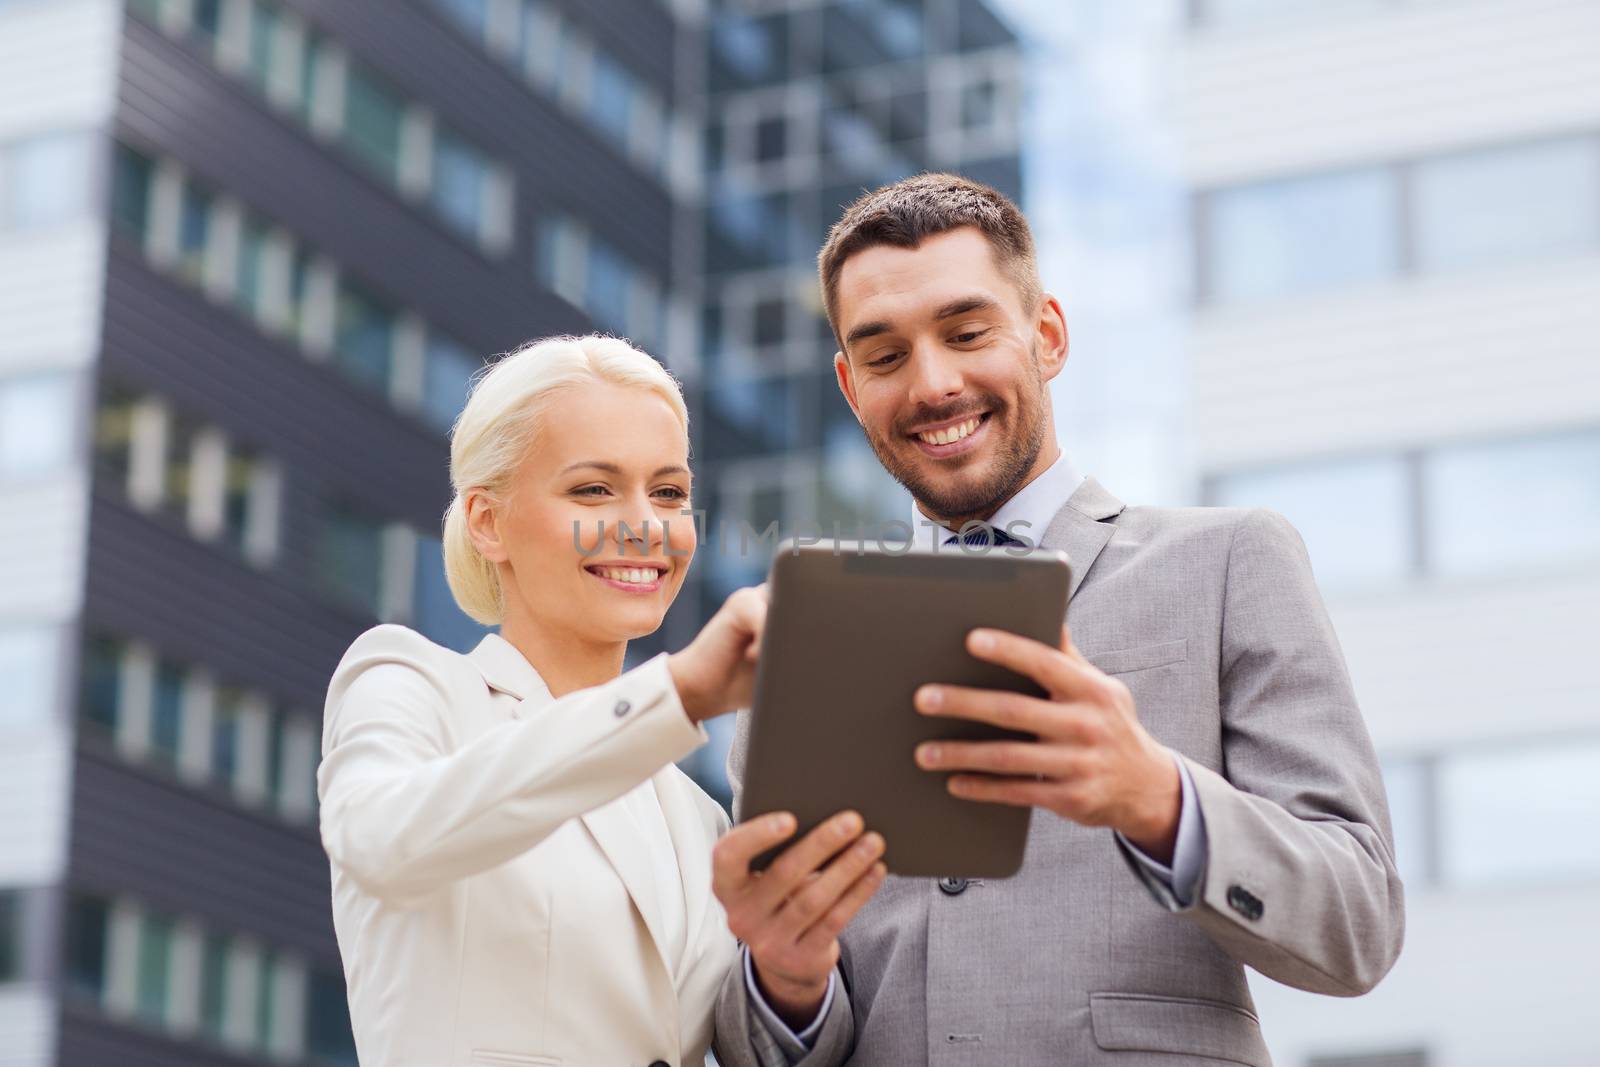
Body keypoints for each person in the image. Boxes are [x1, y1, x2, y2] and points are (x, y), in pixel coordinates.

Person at [710, 175, 1405, 1065]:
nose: (933, 383)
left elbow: (1359, 925)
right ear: (851, 386)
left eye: (967, 333)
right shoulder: (801, 654)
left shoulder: (1231, 562)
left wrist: (1153, 794)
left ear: (1046, 336)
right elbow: (756, 1041)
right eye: (884, 357)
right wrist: (785, 973)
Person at [315, 334, 885, 1066]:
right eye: (594, 489)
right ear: (488, 521)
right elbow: (380, 840)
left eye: (670, 492)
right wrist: (679, 690)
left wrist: (790, 969)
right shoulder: (410, 683)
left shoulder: (697, 816)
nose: (646, 525)